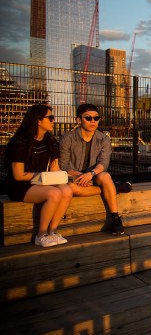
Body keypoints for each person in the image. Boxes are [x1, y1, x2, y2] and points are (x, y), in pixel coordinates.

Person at [4, 104, 73, 247]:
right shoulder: (21, 142)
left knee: (66, 190)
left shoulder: (50, 141)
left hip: (41, 181)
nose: (54, 121)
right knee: (54, 193)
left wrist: (64, 178)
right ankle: (41, 235)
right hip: (21, 186)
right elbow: (18, 175)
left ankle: (52, 232)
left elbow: (55, 169)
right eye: (50, 118)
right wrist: (43, 175)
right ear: (38, 120)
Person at [60, 104, 131, 235]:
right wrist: (81, 176)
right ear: (78, 120)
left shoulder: (103, 139)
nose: (93, 121)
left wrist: (90, 174)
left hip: (93, 176)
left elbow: (103, 163)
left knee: (105, 176)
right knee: (71, 188)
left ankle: (115, 218)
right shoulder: (67, 139)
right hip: (75, 178)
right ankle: (114, 188)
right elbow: (64, 166)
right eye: (88, 118)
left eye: (96, 118)